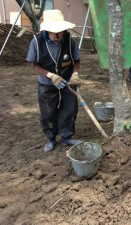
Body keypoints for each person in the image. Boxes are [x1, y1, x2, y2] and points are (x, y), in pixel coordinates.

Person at [26, 9, 82, 152]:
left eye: (61, 31)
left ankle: (66, 136)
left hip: (68, 80)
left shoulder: (69, 40)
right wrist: (51, 75)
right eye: (55, 32)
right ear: (47, 30)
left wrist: (75, 74)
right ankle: (51, 138)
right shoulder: (37, 43)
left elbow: (76, 60)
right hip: (47, 83)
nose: (59, 36)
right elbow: (35, 66)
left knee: (70, 108)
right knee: (48, 111)